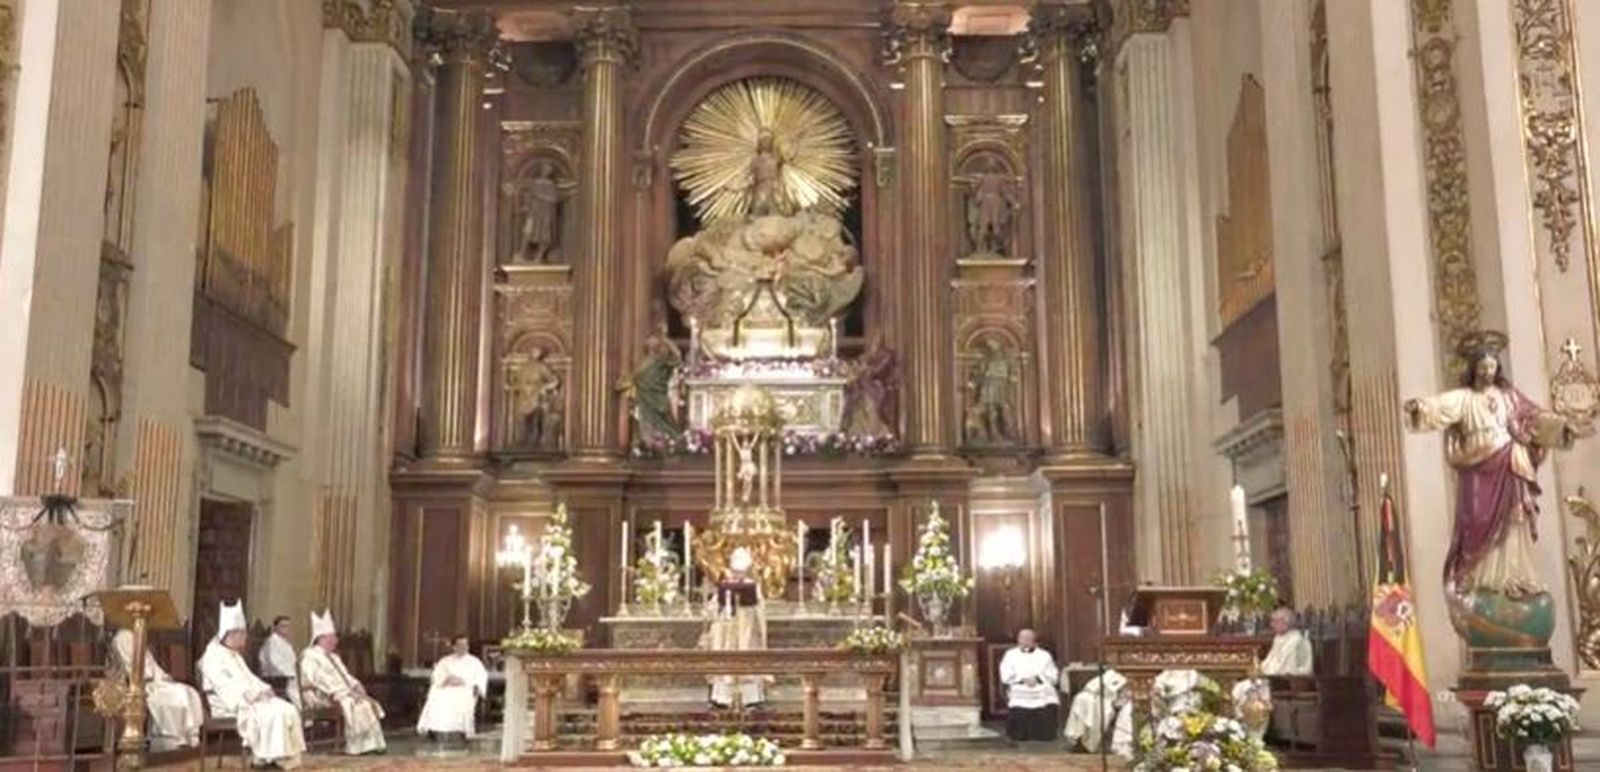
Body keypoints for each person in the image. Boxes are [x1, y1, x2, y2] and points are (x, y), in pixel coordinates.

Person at [1404, 332, 1574, 629]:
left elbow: (1534, 418)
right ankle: (1482, 577)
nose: (1488, 371)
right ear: (1473, 368)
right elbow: (1438, 407)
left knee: (1514, 520)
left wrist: (1560, 429)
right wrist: (1420, 407)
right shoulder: (1464, 399)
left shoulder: (1509, 397)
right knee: (1476, 522)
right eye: (1482, 366)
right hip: (1477, 471)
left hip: (1510, 465)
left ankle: (1514, 576)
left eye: (1492, 365)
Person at [197, 601, 305, 768]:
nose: (245, 637)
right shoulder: (213, 656)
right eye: (242, 633)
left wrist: (264, 689)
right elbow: (224, 686)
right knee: (273, 713)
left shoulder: (234, 654)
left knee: (287, 709)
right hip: (228, 704)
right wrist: (251, 695)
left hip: (249, 698)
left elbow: (250, 678)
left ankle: (277, 759)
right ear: (231, 634)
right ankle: (264, 759)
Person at [299, 610, 386, 755]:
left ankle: (369, 745)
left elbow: (345, 675)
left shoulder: (334, 657)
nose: (336, 640)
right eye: (333, 637)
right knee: (354, 704)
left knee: (365, 703)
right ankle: (356, 746)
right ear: (322, 639)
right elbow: (319, 680)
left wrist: (356, 685)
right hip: (321, 694)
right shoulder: (310, 656)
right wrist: (345, 691)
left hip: (341, 691)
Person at [110, 628, 203, 751]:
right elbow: (134, 667)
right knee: (177, 695)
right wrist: (148, 676)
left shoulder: (136, 634)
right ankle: (172, 739)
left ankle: (189, 736)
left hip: (157, 681)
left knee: (188, 691)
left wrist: (163, 676)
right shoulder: (123, 638)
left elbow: (151, 663)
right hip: (144, 686)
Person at [704, 547, 769, 708]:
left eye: (741, 572)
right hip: (727, 629)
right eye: (736, 572)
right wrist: (718, 610)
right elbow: (713, 608)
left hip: (747, 629)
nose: (738, 575)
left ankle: (750, 698)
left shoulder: (753, 585)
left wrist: (754, 614)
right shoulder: (724, 585)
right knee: (726, 661)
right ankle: (723, 697)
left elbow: (760, 607)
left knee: (747, 659)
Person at [416, 635, 489, 742]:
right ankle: (434, 729)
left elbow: (481, 677)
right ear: (454, 647)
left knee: (458, 701)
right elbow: (437, 677)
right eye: (460, 645)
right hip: (446, 689)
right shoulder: (445, 661)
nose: (463, 647)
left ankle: (460, 730)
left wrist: (463, 681)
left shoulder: (475, 662)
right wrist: (446, 680)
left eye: (465, 645)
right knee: (437, 698)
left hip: (464, 690)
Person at [997, 628, 1059, 741]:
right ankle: (1019, 733)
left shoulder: (1044, 655)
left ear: (1034, 640)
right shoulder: (1010, 655)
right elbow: (1006, 674)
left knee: (1048, 692)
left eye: (1028, 638)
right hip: (1020, 685)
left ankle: (1043, 734)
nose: (1025, 641)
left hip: (1040, 685)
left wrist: (1038, 679)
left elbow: (1052, 674)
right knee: (1018, 695)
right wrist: (1022, 679)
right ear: (1018, 640)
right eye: (1022, 638)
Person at [1063, 668, 1128, 753]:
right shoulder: (1119, 678)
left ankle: (1082, 745)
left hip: (1086, 698)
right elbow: (1117, 699)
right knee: (1092, 722)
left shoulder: (1110, 673)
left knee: (1085, 724)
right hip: (1094, 700)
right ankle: (1083, 746)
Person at [258, 614, 301, 708]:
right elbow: (274, 663)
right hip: (276, 678)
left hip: (288, 676)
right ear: (276, 627)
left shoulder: (285, 643)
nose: (286, 629)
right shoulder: (272, 642)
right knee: (297, 689)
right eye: (283, 626)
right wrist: (292, 674)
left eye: (288, 626)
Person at [1259, 607, 1314, 676]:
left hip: (1289, 681)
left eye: (1275, 622)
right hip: (1272, 677)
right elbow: (1270, 660)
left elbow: (1302, 669)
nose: (1272, 625)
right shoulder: (1278, 638)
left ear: (1286, 623)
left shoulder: (1298, 641)